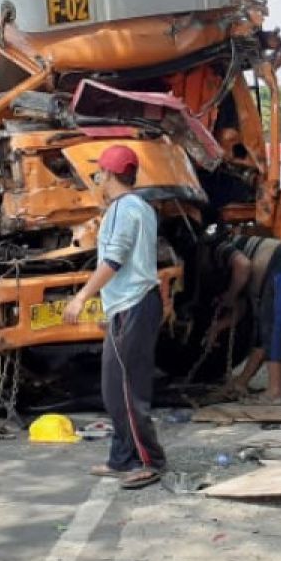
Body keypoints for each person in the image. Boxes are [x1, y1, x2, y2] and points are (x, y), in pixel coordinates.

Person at [65, 145, 165, 490]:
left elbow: (114, 260)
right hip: (129, 305)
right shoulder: (138, 207)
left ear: (107, 175)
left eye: (99, 174)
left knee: (127, 390)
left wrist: (81, 298)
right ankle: (121, 457)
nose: (98, 180)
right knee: (114, 388)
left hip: (134, 305)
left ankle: (149, 461)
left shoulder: (124, 209)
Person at [204, 226, 281, 390]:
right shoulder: (233, 260)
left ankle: (274, 393)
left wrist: (230, 295)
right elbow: (241, 307)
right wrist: (218, 327)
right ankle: (243, 382)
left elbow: (243, 266)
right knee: (265, 332)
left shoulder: (220, 248)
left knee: (273, 331)